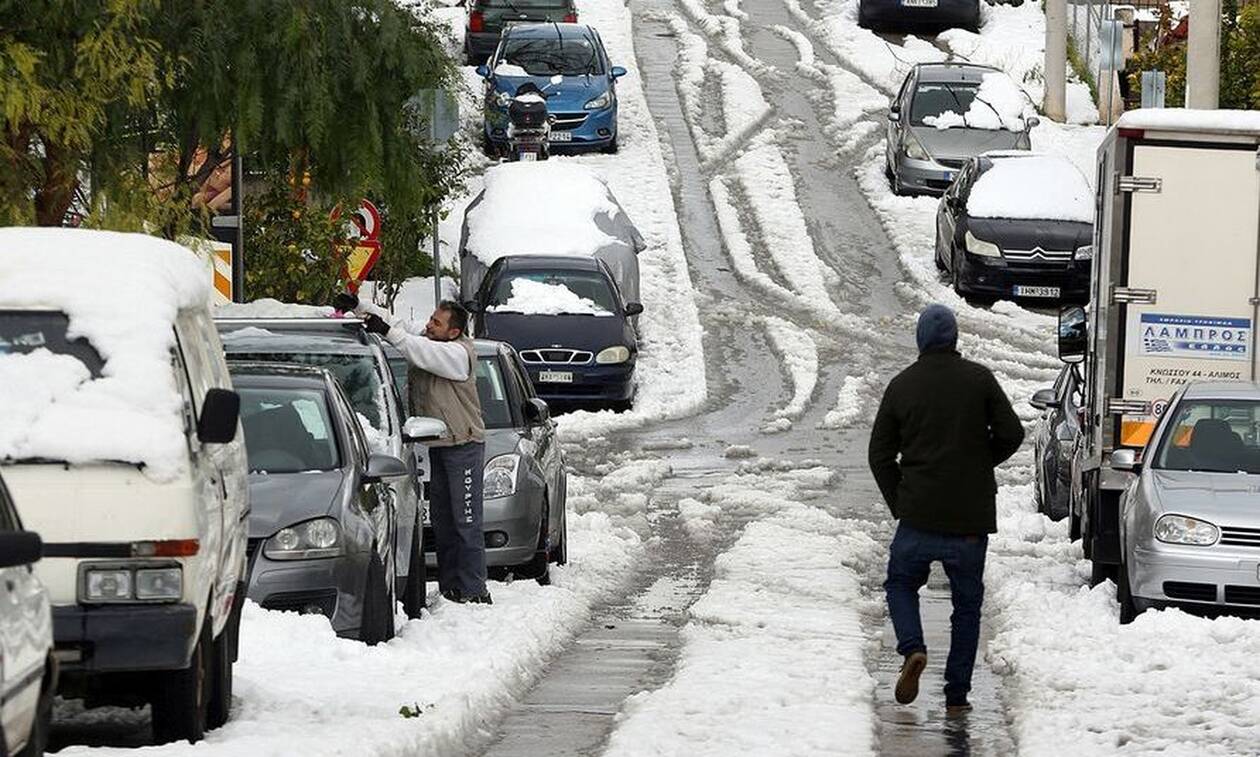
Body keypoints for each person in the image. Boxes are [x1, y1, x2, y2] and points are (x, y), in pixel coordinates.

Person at [867, 304, 1023, 716]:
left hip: (918, 514)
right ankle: (957, 696)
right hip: (969, 520)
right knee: (967, 607)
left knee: (901, 584)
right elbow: (1013, 432)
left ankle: (913, 648)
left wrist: (900, 501)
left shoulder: (902, 386)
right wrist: (978, 462)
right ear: (955, 339)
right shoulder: (979, 379)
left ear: (920, 339)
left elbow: (879, 454)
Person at [335, 291, 491, 605]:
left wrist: (387, 332)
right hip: (442, 444)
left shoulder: (458, 355)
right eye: (431, 319)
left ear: (454, 332)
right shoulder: (434, 341)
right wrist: (361, 307)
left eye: (437, 322)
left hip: (464, 445)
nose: (429, 325)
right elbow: (401, 327)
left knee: (466, 522)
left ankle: (475, 590)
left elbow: (415, 348)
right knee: (445, 521)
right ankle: (451, 589)